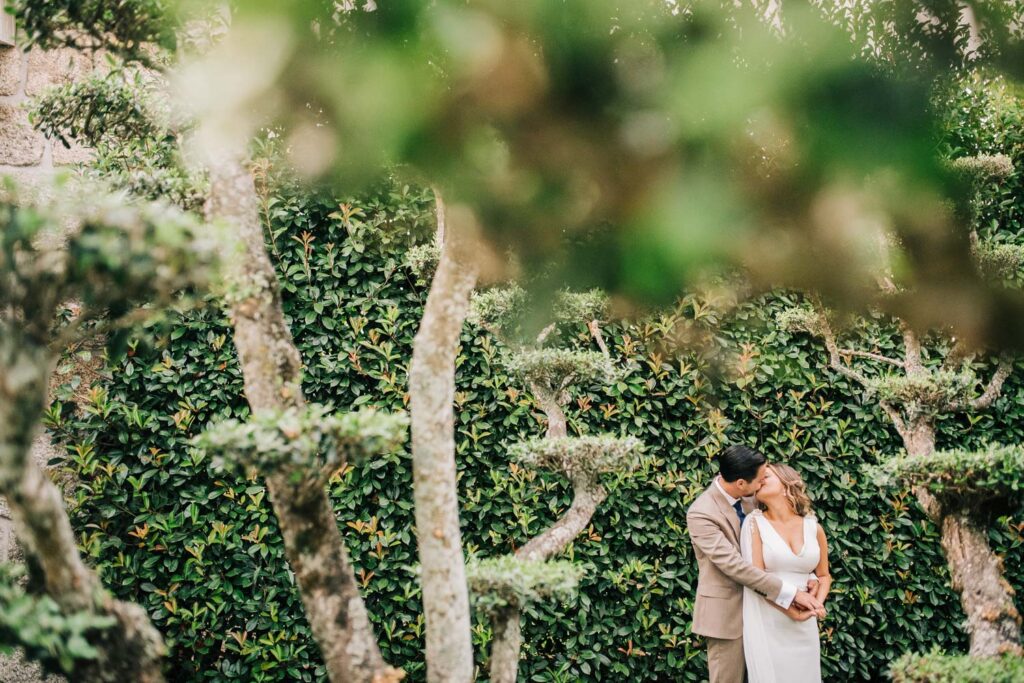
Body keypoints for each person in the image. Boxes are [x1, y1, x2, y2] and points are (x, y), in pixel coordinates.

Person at [686, 445, 825, 683]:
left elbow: (778, 538)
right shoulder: (701, 513)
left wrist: (804, 575)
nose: (762, 484)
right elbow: (734, 565)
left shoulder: (754, 498)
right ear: (741, 483)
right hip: (728, 616)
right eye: (760, 480)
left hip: (768, 611)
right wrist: (792, 593)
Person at [741, 463, 830, 683]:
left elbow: (824, 576)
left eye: (766, 477)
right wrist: (789, 607)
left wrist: (815, 605)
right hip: (770, 618)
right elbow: (755, 578)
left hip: (804, 624)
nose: (758, 481)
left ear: (786, 485)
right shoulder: (754, 523)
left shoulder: (813, 526)